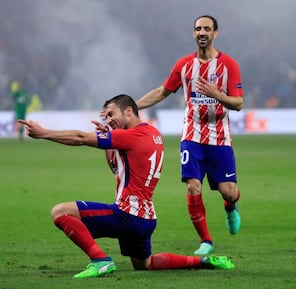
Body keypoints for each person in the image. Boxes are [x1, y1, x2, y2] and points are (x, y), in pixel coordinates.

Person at [19, 94, 234, 279]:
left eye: (112, 114)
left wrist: (44, 133)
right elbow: (116, 168)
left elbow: (81, 137)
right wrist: (109, 141)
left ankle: (100, 260)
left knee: (60, 212)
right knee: (144, 264)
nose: (109, 119)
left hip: (127, 214)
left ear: (129, 111)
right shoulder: (152, 134)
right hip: (147, 217)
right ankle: (202, 261)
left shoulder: (130, 136)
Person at [136, 15, 243, 255]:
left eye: (207, 28)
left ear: (215, 33)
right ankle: (206, 241)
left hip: (220, 139)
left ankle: (230, 206)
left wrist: (217, 94)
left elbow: (238, 103)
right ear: (193, 34)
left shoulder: (229, 66)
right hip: (191, 136)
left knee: (229, 190)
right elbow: (162, 91)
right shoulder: (184, 65)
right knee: (193, 187)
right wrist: (134, 106)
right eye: (198, 29)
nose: (202, 32)